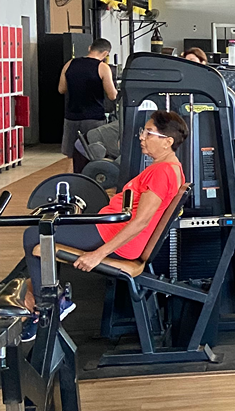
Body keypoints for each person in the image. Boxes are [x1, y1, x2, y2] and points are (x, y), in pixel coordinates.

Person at [20, 110, 188, 341]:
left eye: (149, 133)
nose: (141, 137)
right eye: (143, 132)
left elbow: (141, 221)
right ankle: (47, 294)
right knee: (48, 229)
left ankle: (48, 307)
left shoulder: (162, 172)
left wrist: (98, 255)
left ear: (167, 141)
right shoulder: (170, 168)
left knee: (33, 235)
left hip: (113, 236)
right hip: (109, 229)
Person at [60, 38, 118, 174]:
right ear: (105, 53)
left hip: (71, 116)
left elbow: (61, 89)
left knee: (71, 156)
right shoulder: (102, 67)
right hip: (94, 117)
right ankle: (90, 181)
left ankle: (69, 181)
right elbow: (112, 95)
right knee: (94, 154)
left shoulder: (70, 64)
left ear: (90, 48)